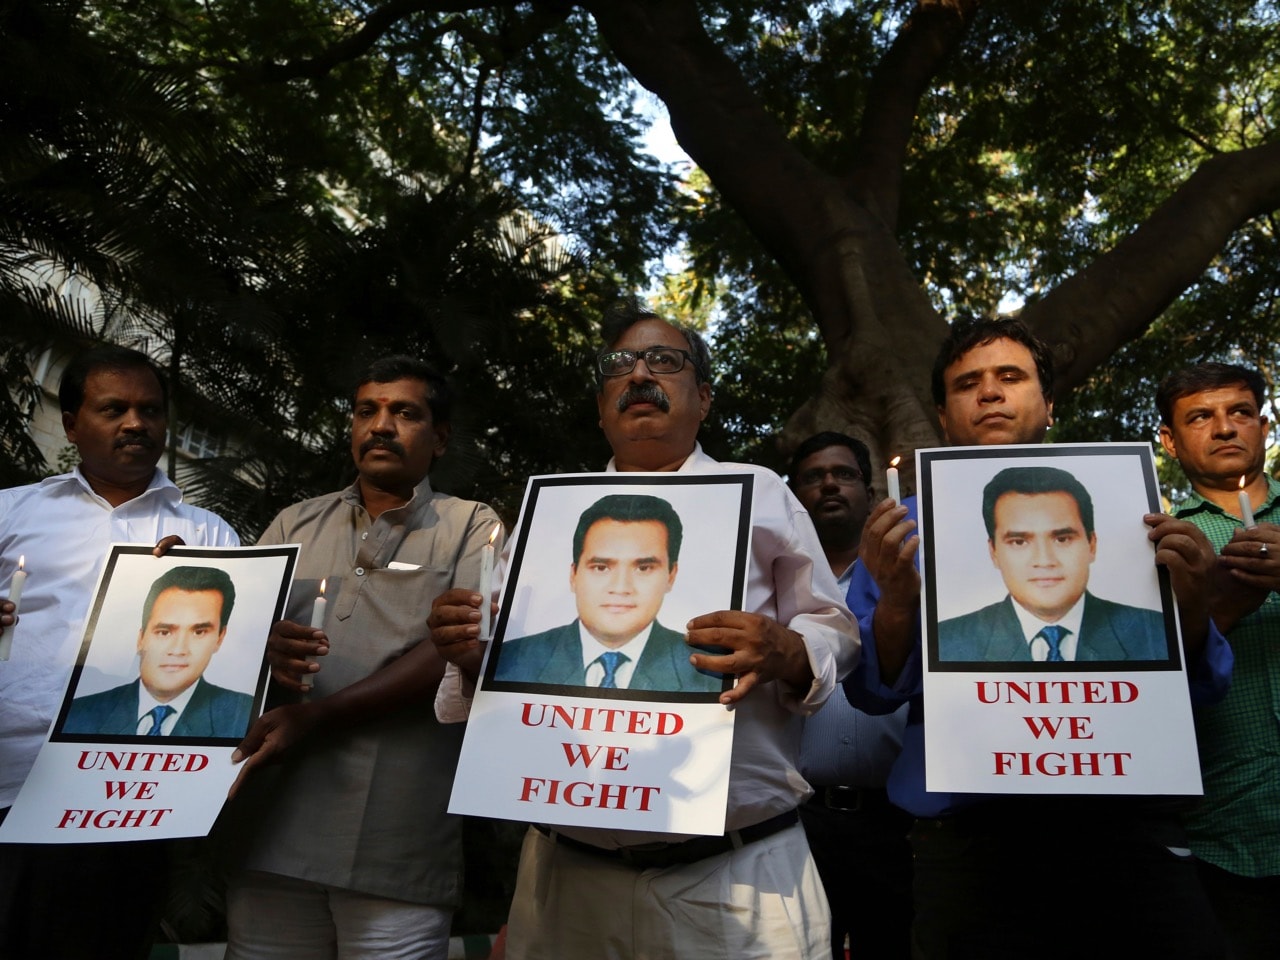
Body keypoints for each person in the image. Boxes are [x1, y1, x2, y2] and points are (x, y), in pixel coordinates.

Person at [429, 297, 857, 960]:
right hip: (565, 879)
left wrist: (790, 649)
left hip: (735, 880)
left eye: (664, 361)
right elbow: (485, 681)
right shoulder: (548, 520)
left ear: (704, 397)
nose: (638, 375)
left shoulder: (762, 491)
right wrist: (469, 651)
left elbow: (836, 628)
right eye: (619, 367)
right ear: (602, 408)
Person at [847, 317, 1234, 959]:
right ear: (944, 417)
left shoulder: (1132, 511)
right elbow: (875, 694)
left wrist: (1191, 606)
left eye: (1010, 377)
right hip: (971, 846)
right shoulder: (900, 530)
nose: (991, 393)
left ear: (1048, 406)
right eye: (968, 383)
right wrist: (894, 603)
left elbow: (1204, 687)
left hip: (1126, 835)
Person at [218, 355, 500, 960]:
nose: (381, 425)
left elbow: (457, 648)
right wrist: (256, 644)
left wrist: (318, 716)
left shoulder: (472, 526)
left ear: (440, 437)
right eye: (367, 410)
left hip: (395, 842)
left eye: (405, 412)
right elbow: (229, 642)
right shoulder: (295, 522)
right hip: (272, 828)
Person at [0, 344, 240, 960]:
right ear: (74, 421)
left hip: (127, 798)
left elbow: (231, 655)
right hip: (9, 777)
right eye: (114, 408)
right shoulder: (11, 512)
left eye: (150, 409)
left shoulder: (210, 535)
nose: (136, 423)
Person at [1157, 361, 1280, 960]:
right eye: (1200, 417)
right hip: (1221, 832)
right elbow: (1144, 689)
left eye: (1240, 413)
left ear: (1264, 424)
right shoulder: (1157, 542)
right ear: (1170, 441)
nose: (1225, 428)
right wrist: (1221, 608)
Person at [789, 432, 913, 960]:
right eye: (813, 477)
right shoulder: (775, 582)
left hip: (898, 826)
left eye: (843, 474)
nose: (829, 485)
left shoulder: (911, 573)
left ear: (869, 489)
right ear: (794, 497)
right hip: (798, 820)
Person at [937, 465, 1168, 662]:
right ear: (994, 552)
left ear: (1092, 544)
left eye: (1062, 539)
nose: (1044, 560)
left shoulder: (1156, 633)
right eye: (1019, 542)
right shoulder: (947, 643)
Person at [493, 492, 722, 692]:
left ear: (671, 576)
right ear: (574, 575)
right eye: (601, 567)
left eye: (643, 568)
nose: (621, 587)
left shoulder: (709, 672)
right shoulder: (512, 660)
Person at [63, 565, 252, 737]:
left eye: (199, 632)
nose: (178, 649)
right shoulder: (76, 716)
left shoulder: (245, 717)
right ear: (141, 638)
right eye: (164, 632)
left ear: (220, 637)